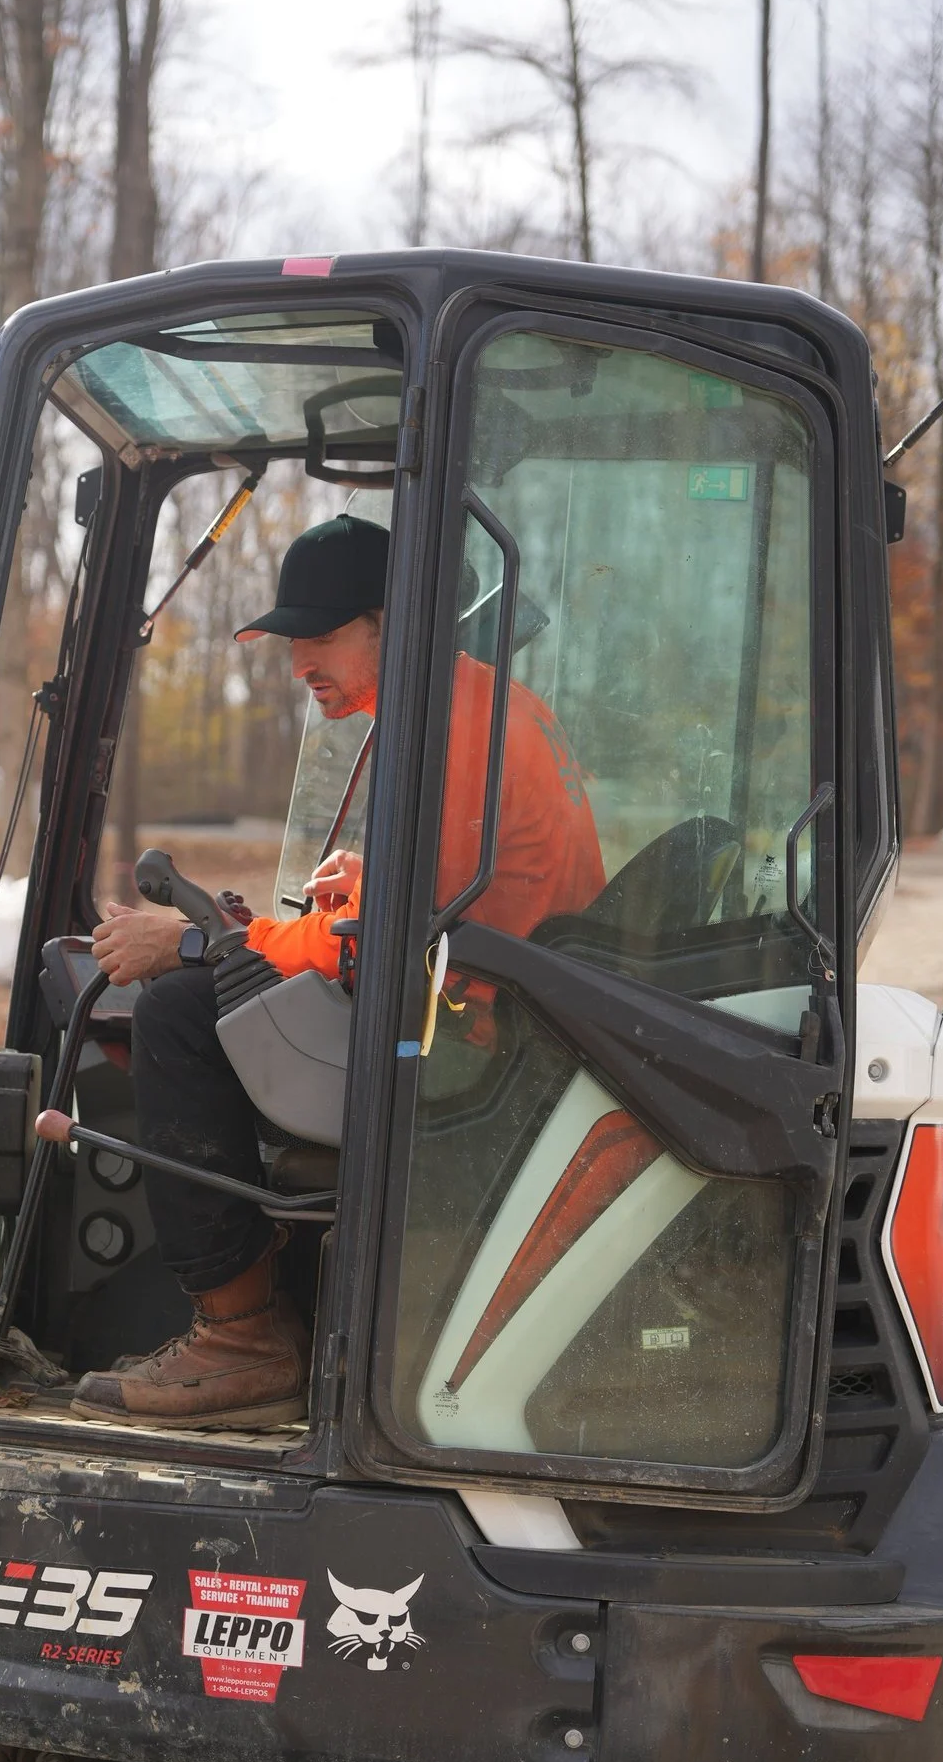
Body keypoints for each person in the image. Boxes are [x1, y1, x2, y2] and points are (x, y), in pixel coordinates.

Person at [68, 513, 604, 1430]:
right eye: (291, 641)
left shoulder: (449, 734)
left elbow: (383, 949)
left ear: (390, 624)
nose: (298, 663)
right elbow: (434, 903)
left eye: (318, 637)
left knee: (179, 1016)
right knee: (210, 990)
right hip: (493, 1001)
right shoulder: (473, 707)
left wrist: (196, 943)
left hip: (475, 1039)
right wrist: (345, 894)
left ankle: (242, 1338)